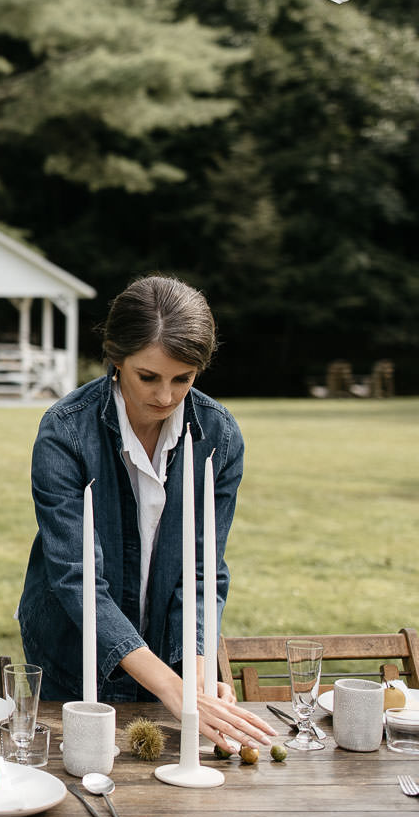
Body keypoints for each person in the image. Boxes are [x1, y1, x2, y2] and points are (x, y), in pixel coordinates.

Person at [17, 273, 275, 751]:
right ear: (117, 358)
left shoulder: (219, 438)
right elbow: (76, 578)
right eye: (148, 377)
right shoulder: (65, 434)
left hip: (167, 657)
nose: (165, 397)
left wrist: (195, 675)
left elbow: (202, 570)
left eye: (183, 379)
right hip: (74, 657)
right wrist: (175, 690)